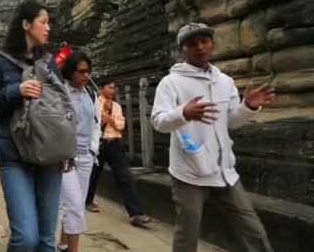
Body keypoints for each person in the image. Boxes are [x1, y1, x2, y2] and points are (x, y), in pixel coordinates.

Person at [151, 23, 275, 252]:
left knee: (253, 230)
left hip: (224, 171)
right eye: (192, 43)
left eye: (204, 41)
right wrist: (183, 113)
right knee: (187, 235)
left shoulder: (224, 81)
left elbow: (230, 122)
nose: (199, 47)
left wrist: (248, 106)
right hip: (190, 171)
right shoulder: (171, 82)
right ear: (182, 50)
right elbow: (158, 121)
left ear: (212, 44)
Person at [0, 0, 63, 251]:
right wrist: (16, 90)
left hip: (49, 153)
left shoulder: (49, 62)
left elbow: (61, 104)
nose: (48, 28)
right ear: (26, 24)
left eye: (49, 22)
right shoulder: (0, 61)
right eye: (43, 22)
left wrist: (67, 148)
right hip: (14, 154)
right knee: (26, 237)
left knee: (47, 240)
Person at [85, 80, 151, 227]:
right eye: (109, 88)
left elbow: (121, 126)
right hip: (100, 144)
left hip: (115, 144)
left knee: (124, 177)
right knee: (93, 175)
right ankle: (87, 201)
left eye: (113, 88)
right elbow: (90, 125)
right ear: (101, 88)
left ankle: (135, 214)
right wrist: (102, 120)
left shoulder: (116, 106)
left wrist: (111, 120)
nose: (112, 91)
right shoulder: (93, 104)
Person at [57, 52, 101, 252]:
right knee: (74, 206)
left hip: (86, 157)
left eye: (88, 71)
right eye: (81, 71)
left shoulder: (91, 94)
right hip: (67, 158)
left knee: (76, 205)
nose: (86, 75)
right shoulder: (60, 93)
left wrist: (93, 149)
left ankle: (64, 243)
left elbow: (96, 124)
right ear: (70, 72)